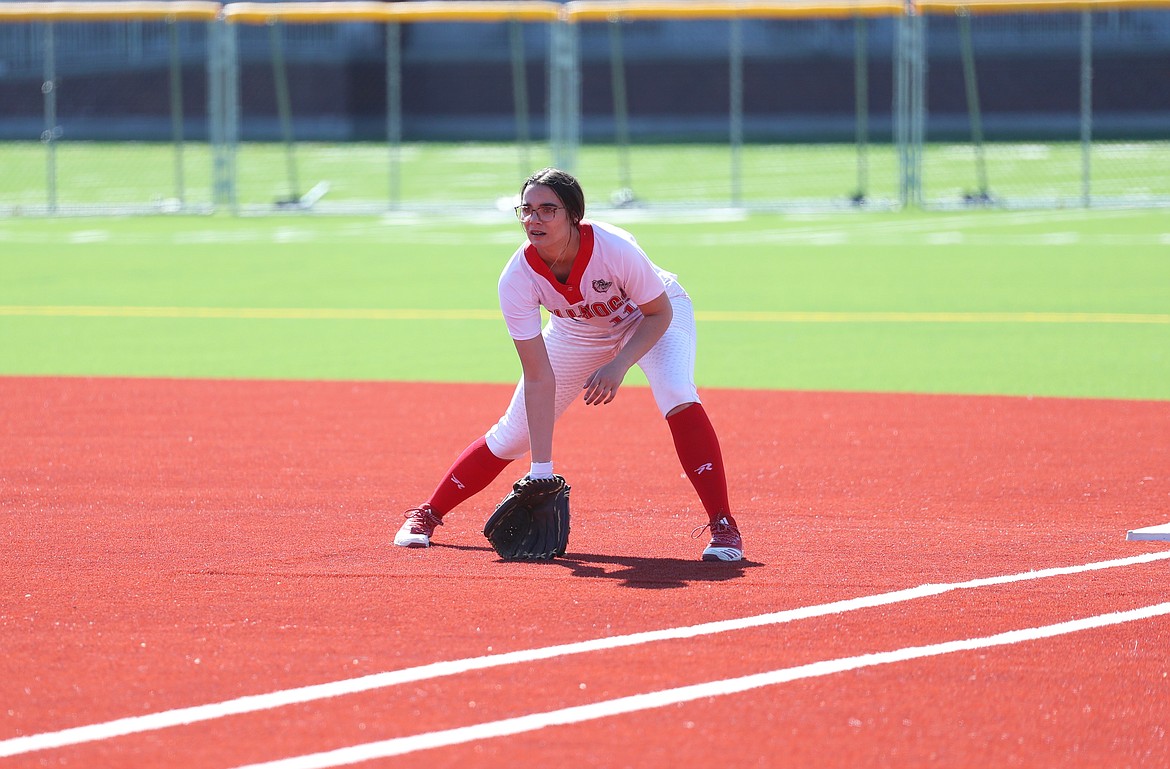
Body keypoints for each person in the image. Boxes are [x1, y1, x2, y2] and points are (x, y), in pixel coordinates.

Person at [394, 168, 743, 561]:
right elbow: (538, 376)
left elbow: (658, 312)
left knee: (676, 391)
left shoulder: (614, 248)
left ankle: (723, 525)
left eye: (547, 210)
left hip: (647, 317)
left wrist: (620, 364)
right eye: (526, 210)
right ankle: (428, 513)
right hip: (576, 331)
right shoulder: (517, 278)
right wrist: (541, 469)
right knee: (513, 435)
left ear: (573, 214)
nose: (534, 220)